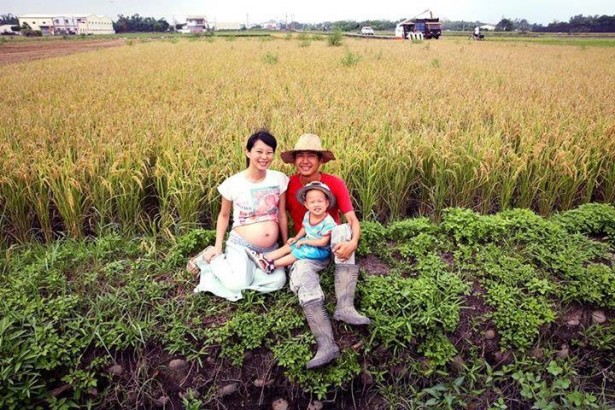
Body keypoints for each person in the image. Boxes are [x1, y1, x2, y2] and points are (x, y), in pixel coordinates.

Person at [281, 133, 370, 369]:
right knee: (301, 274)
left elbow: (352, 219)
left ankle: (345, 307)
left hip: (334, 247)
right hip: (308, 249)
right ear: (294, 161)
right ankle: (326, 344)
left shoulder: (335, 183)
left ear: (321, 160)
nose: (305, 161)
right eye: (300, 156)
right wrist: (286, 245)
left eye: (311, 156)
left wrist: (353, 243)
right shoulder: (289, 185)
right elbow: (280, 215)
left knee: (342, 230)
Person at [187, 130, 288, 301]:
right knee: (236, 284)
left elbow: (282, 214)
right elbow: (224, 215)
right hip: (241, 245)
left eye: (269, 152)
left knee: (279, 281)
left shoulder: (279, 179)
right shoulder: (233, 183)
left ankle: (247, 271)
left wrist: (285, 246)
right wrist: (218, 246)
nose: (264, 157)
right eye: (259, 151)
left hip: (269, 250)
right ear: (248, 152)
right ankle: (211, 259)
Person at [246, 181, 337, 274]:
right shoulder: (308, 214)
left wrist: (304, 241)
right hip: (308, 242)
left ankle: (271, 265)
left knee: (298, 252)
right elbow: (304, 228)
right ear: (306, 204)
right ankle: (264, 258)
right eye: (312, 202)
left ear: (327, 202)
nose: (316, 204)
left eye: (320, 201)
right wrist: (296, 238)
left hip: (321, 251)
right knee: (289, 245)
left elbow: (323, 242)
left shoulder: (328, 222)